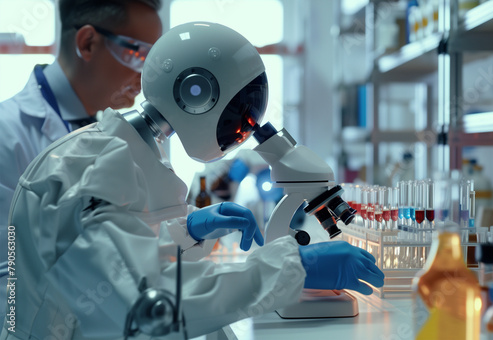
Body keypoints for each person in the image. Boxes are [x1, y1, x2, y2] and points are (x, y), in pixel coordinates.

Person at [0, 22, 384, 339]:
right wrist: (294, 266)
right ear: (195, 93)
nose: (244, 129)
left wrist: (185, 232)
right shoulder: (88, 165)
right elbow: (146, 301)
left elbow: (106, 256)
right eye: (240, 113)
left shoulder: (120, 149)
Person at [0, 0, 163, 324]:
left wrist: (186, 230)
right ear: (88, 42)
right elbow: (10, 279)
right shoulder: (7, 136)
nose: (146, 78)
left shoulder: (107, 132)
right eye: (137, 53)